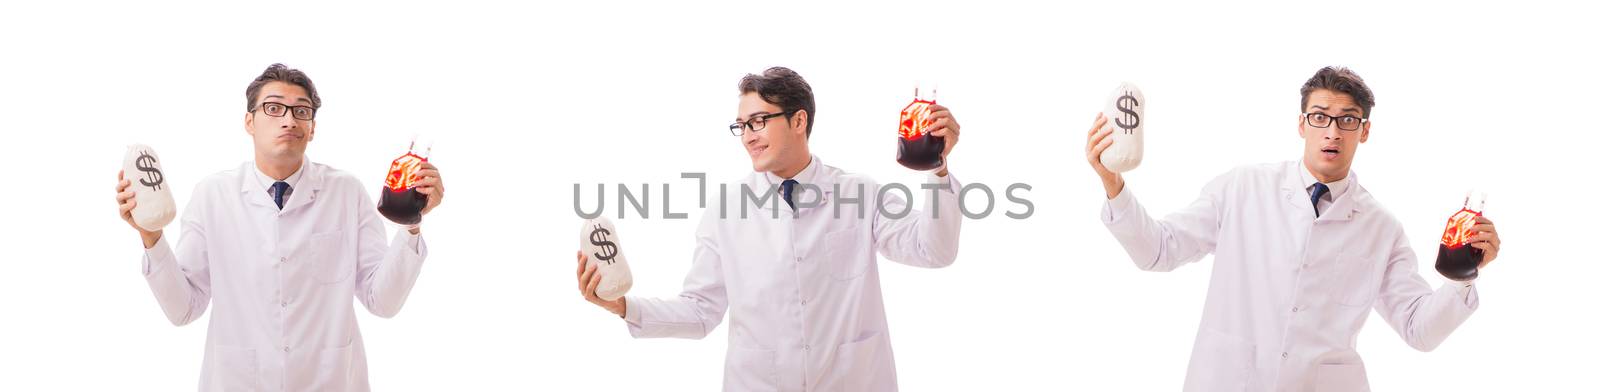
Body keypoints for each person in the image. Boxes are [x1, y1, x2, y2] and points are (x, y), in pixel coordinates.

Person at [1086, 66, 1503, 390]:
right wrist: (1113, 183)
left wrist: (1464, 276)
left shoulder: (1381, 228)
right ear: (1302, 124)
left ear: (1365, 131)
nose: (1332, 131)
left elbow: (1419, 330)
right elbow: (1157, 250)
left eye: (1348, 120)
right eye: (1320, 117)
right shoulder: (1243, 188)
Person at [575, 66, 964, 391]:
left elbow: (934, 250)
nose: (748, 136)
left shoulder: (858, 193)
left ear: (799, 120)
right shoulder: (726, 211)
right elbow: (700, 312)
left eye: (759, 121)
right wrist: (624, 306)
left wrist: (938, 169)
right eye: (741, 125)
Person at [113, 63, 445, 391]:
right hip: (238, 381)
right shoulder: (212, 195)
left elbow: (382, 301)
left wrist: (411, 225)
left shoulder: (346, 193)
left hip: (329, 381)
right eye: (273, 108)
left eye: (301, 111)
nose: (288, 120)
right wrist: (151, 235)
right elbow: (183, 308)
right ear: (249, 121)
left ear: (312, 127)